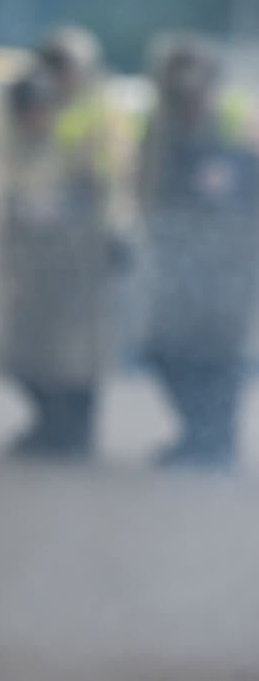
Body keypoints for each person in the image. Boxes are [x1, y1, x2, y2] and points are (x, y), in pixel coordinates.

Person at [139, 35, 259, 469]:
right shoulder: (161, 125)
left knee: (219, 355)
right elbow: (147, 186)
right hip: (176, 254)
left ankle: (216, 443)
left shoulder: (235, 121)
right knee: (167, 349)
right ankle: (197, 431)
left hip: (230, 257)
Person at [0, 29, 115, 457]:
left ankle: (74, 432)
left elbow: (106, 181)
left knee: (79, 348)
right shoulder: (35, 105)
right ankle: (52, 424)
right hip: (40, 248)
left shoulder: (90, 117)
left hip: (83, 248)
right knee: (36, 345)